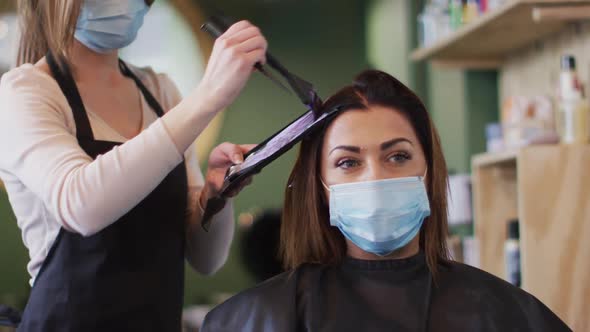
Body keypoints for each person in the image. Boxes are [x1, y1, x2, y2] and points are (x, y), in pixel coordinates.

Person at [201, 70, 571, 332]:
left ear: (429, 170)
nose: (375, 177)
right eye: (348, 162)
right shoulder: (257, 318)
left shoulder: (505, 314)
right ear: (321, 187)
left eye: (397, 157)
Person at [0, 0, 267, 330]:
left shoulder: (160, 91)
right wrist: (207, 96)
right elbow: (80, 205)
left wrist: (216, 194)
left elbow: (206, 260)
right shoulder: (25, 91)